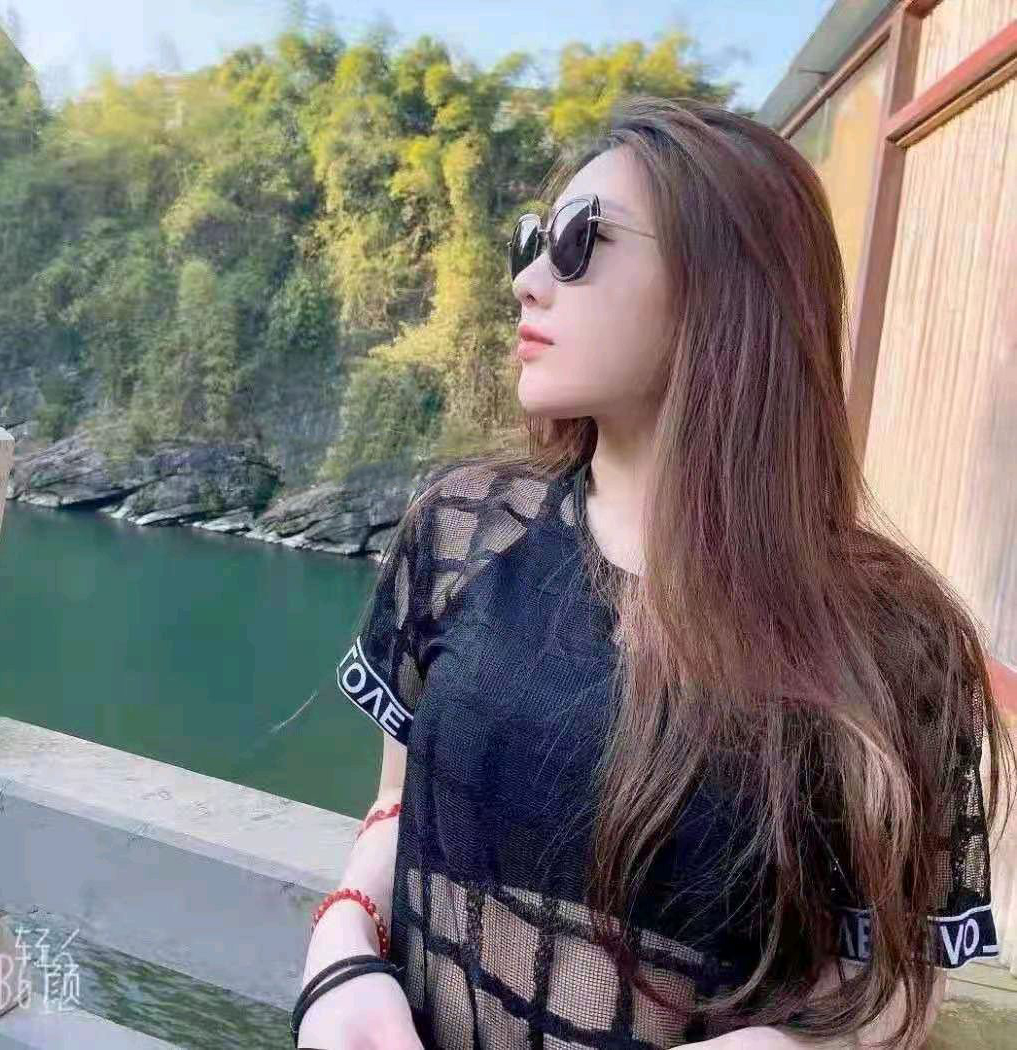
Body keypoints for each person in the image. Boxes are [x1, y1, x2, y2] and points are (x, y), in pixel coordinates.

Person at [294, 95, 1015, 1049]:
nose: (529, 283)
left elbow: (891, 980)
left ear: (729, 284)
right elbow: (398, 802)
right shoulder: (464, 529)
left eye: (580, 242)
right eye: (531, 244)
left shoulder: (896, 636)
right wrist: (343, 948)